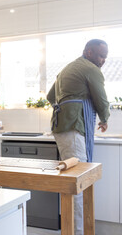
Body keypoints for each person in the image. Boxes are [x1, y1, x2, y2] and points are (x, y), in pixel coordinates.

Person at [47, 39, 110, 235]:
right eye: (101, 55)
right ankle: (77, 231)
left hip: (65, 125)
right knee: (77, 180)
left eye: (105, 57)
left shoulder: (69, 67)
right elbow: (100, 97)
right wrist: (105, 118)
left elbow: (51, 96)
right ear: (88, 52)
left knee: (75, 177)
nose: (103, 60)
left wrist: (66, 105)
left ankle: (78, 228)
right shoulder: (90, 69)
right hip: (73, 125)